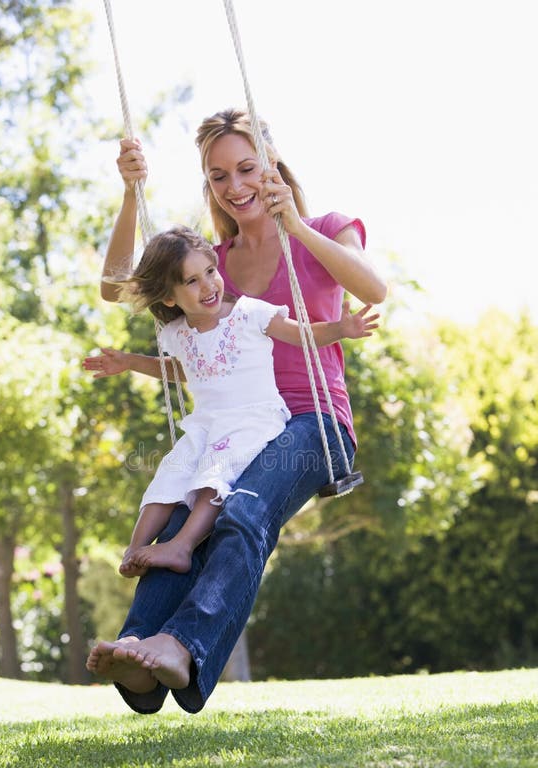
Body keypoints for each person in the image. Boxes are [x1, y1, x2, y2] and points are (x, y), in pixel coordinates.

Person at [86, 109, 387, 714]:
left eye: (247, 168)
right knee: (178, 528)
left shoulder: (325, 227)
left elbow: (373, 289)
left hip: (311, 425)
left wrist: (294, 225)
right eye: (218, 175)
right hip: (231, 429)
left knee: (240, 513)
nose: (235, 185)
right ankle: (139, 652)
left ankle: (183, 645)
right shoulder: (210, 264)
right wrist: (129, 194)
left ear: (272, 166)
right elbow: (117, 287)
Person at [85, 227, 379, 579]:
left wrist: (339, 329)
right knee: (171, 474)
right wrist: (130, 361)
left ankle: (182, 545)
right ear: (168, 298)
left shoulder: (248, 313)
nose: (208, 286)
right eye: (192, 281)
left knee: (215, 473)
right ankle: (134, 548)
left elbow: (302, 334)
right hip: (206, 424)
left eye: (210, 271)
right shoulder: (177, 332)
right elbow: (183, 370)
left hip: (253, 419)